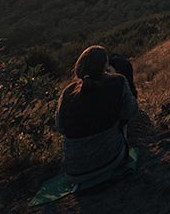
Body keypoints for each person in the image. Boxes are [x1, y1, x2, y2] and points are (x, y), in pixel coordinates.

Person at [55, 45, 139, 185]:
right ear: (105, 65)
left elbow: (60, 127)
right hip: (110, 161)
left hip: (74, 172)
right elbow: (131, 112)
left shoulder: (67, 93)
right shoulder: (118, 81)